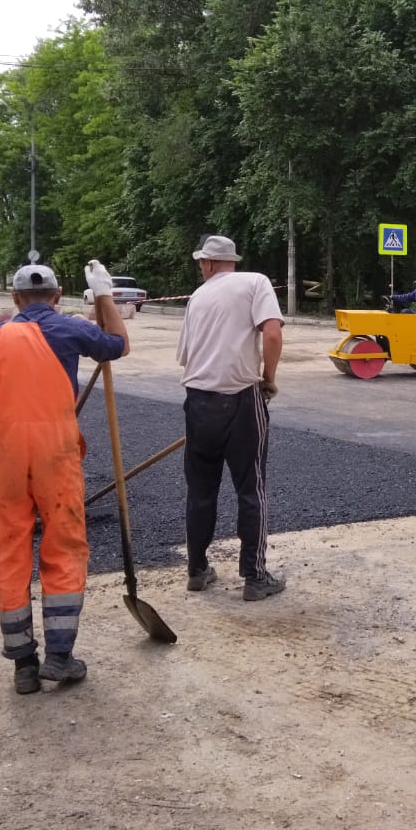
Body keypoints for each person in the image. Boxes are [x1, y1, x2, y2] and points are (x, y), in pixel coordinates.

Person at [0, 261, 130, 695]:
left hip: (5, 456)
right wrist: (104, 295)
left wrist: (10, 426)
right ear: (57, 296)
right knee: (65, 545)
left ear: (15, 300)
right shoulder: (70, 329)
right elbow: (117, 344)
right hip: (57, 453)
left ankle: (23, 665)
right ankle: (59, 656)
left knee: (8, 550)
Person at [176, 235, 285, 602]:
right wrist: (268, 378)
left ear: (208, 264)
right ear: (231, 261)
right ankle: (255, 577)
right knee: (251, 488)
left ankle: (196, 570)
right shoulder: (255, 281)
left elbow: (187, 355)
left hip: (197, 402)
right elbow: (272, 332)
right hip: (240, 400)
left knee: (201, 491)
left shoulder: (197, 297)